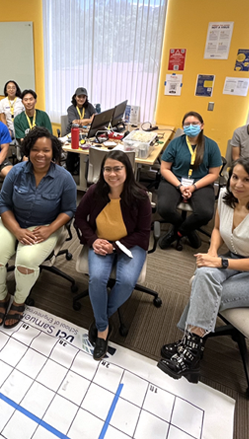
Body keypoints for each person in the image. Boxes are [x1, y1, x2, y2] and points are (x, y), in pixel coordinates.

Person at [157, 157, 249, 384]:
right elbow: (217, 228)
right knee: (203, 275)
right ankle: (193, 347)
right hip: (236, 258)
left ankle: (189, 347)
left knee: (206, 292)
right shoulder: (226, 200)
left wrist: (221, 263)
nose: (238, 184)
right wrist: (213, 252)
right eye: (235, 177)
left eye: (246, 180)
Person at [0, 127, 77, 329]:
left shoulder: (64, 178)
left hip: (45, 226)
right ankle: (1, 297)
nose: (40, 155)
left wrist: (50, 229)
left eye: (46, 150)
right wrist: (16, 230)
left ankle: (19, 301)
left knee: (25, 261)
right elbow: (3, 204)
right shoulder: (16, 172)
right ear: (28, 150)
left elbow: (69, 210)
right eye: (35, 149)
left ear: (54, 153)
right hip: (12, 222)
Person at [74, 150, 151, 360]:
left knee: (126, 281)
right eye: (107, 169)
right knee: (97, 278)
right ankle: (103, 330)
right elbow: (79, 218)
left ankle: (102, 317)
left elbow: (144, 232)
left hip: (130, 244)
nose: (112, 174)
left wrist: (115, 247)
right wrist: (93, 240)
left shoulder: (140, 196)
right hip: (100, 242)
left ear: (128, 170)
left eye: (118, 168)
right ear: (102, 171)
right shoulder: (94, 191)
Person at [158, 111, 222, 250]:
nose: (191, 126)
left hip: (201, 182)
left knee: (205, 213)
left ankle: (177, 233)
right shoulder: (175, 143)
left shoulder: (212, 146)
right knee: (164, 208)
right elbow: (164, 169)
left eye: (195, 123)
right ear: (183, 127)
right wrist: (180, 186)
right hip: (175, 180)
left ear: (202, 125)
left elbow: (213, 173)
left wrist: (194, 187)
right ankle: (189, 229)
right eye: (187, 124)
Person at [65, 87, 96, 173]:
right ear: (75, 97)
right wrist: (88, 120)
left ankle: (84, 171)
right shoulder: (71, 108)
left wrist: (82, 121)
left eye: (83, 97)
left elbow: (95, 118)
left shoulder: (89, 106)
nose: (81, 99)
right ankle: (70, 171)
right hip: (73, 133)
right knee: (73, 151)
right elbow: (75, 123)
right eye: (79, 97)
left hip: (85, 133)